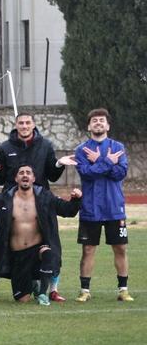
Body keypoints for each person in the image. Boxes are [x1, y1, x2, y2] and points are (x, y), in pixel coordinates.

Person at [0, 112, 74, 302]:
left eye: (27, 122)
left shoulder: (45, 145)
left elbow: (53, 176)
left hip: (41, 204)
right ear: (16, 125)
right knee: (0, 245)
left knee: (51, 245)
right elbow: (0, 179)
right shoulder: (5, 147)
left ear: (33, 124)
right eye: (20, 123)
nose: (24, 126)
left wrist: (59, 164)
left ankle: (52, 289)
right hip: (11, 204)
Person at [0, 165, 82, 305]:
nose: (25, 175)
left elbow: (67, 211)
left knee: (48, 253)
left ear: (33, 178)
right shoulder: (4, 198)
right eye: (21, 173)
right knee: (22, 299)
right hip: (17, 256)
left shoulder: (45, 196)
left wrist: (76, 199)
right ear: (16, 178)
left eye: (28, 173)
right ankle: (32, 285)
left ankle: (43, 293)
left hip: (37, 251)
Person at [68, 108, 133, 302]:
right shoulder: (81, 150)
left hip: (114, 207)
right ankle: (85, 291)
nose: (98, 123)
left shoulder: (118, 147)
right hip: (90, 208)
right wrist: (106, 162)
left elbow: (120, 173)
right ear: (89, 126)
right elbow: (87, 173)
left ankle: (123, 289)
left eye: (101, 120)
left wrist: (100, 162)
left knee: (120, 248)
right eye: (94, 120)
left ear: (108, 125)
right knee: (88, 249)